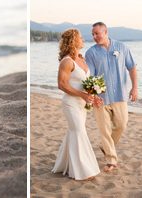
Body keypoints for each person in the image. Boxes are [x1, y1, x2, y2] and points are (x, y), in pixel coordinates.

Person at [84, 22, 138, 172]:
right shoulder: (91, 53)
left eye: (97, 33)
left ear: (105, 32)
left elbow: (132, 68)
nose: (94, 37)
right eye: (92, 34)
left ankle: (105, 146)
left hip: (120, 95)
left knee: (122, 125)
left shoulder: (122, 47)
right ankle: (111, 160)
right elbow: (90, 77)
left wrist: (134, 88)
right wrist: (93, 96)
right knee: (104, 130)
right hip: (101, 98)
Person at [51, 29, 102, 180]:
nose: (82, 39)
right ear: (73, 40)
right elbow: (61, 85)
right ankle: (83, 171)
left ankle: (63, 165)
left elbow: (85, 84)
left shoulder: (82, 59)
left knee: (73, 132)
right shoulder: (67, 61)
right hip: (71, 103)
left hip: (82, 104)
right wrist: (82, 95)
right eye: (79, 37)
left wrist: (93, 96)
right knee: (79, 131)